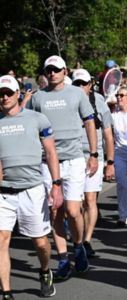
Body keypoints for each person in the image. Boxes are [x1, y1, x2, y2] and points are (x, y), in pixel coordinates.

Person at [28, 55, 98, 280]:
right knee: (55, 210)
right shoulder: (37, 97)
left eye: (56, 69)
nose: (52, 73)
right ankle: (63, 259)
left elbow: (89, 122)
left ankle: (78, 246)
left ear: (65, 71)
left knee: (73, 210)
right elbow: (28, 124)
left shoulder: (77, 93)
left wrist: (94, 155)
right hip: (47, 162)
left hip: (75, 159)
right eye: (48, 69)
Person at [0, 75, 63, 299]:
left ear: (18, 94)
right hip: (4, 193)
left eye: (8, 92)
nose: (4, 97)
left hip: (32, 190)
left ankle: (45, 271)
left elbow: (51, 152)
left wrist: (56, 185)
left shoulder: (37, 119)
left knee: (40, 243)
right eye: (1, 93)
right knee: (1, 239)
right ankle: (6, 292)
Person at [72, 69, 115, 254]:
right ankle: (78, 236)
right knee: (75, 203)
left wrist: (110, 162)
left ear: (90, 85)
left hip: (93, 156)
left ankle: (86, 240)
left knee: (90, 199)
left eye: (84, 83)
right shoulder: (68, 101)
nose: (81, 87)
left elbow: (107, 134)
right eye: (77, 84)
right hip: (72, 156)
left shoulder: (99, 102)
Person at [112, 86, 127, 225]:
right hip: (119, 153)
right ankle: (123, 216)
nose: (119, 98)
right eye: (117, 95)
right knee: (121, 184)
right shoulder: (114, 116)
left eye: (122, 95)